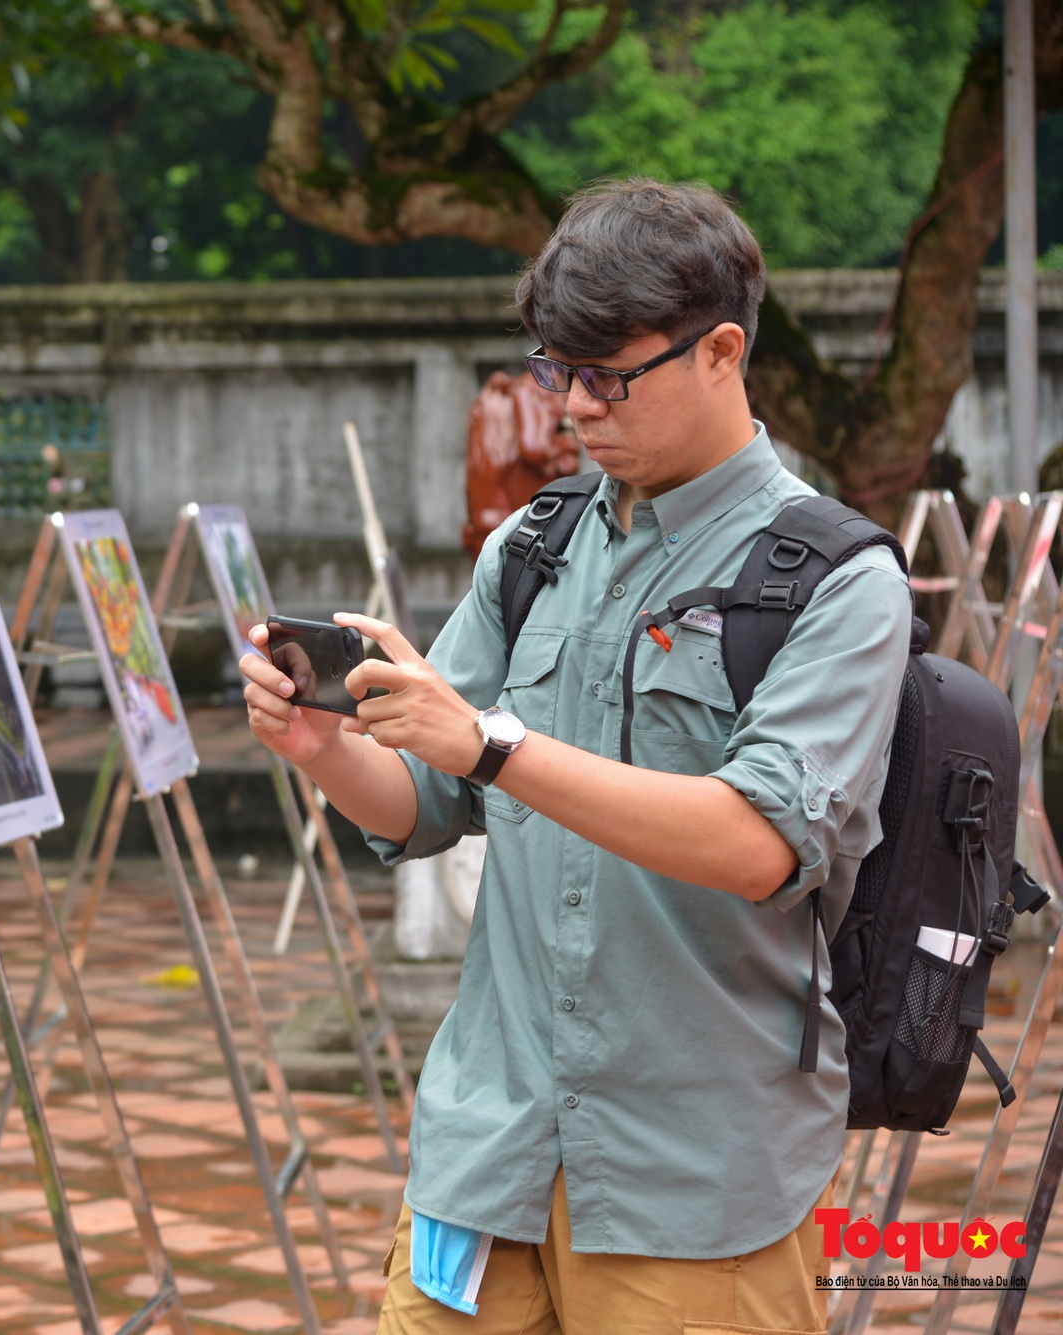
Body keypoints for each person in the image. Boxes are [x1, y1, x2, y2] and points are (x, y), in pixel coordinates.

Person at [241, 180, 911, 1333]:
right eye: (556, 369)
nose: (573, 408)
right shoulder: (535, 545)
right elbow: (425, 800)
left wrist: (492, 745)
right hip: (485, 1143)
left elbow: (755, 844)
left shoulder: (835, 580)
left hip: (693, 1176)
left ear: (719, 352)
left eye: (608, 375)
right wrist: (319, 745)